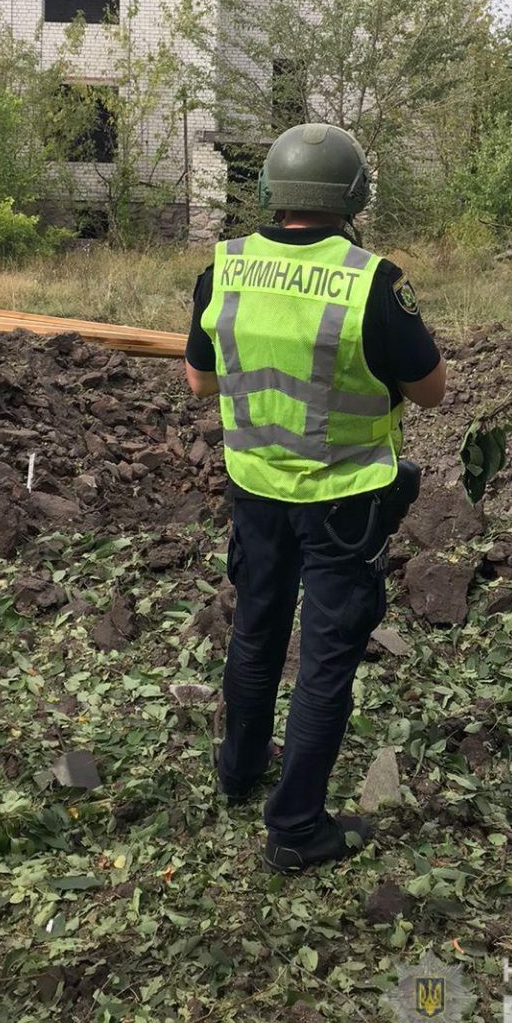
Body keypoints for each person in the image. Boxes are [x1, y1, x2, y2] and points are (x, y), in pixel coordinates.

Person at [184, 122, 446, 871]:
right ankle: (297, 829)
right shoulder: (373, 280)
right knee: (326, 662)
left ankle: (238, 769)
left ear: (271, 192)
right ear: (354, 198)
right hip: (345, 501)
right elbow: (431, 392)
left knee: (256, 633)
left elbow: (200, 380)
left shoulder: (224, 270)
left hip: (255, 489)